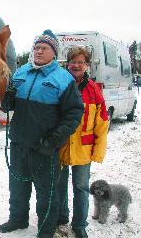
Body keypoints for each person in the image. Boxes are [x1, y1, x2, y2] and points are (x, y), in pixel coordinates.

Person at [0, 30, 84, 238]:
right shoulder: (20, 73)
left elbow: (74, 113)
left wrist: (54, 140)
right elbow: (6, 105)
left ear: (53, 53)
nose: (38, 51)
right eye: (36, 47)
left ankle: (45, 231)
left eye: (43, 48)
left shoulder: (63, 79)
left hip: (44, 147)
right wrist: (7, 97)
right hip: (19, 143)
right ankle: (18, 219)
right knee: (17, 186)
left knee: (47, 194)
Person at [57, 46, 109, 238]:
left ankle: (79, 224)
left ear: (87, 65)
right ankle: (61, 217)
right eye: (73, 61)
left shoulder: (94, 90)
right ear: (67, 64)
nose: (76, 65)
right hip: (60, 146)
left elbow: (102, 123)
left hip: (83, 150)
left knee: (81, 188)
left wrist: (98, 151)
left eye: (81, 62)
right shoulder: (59, 84)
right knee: (59, 185)